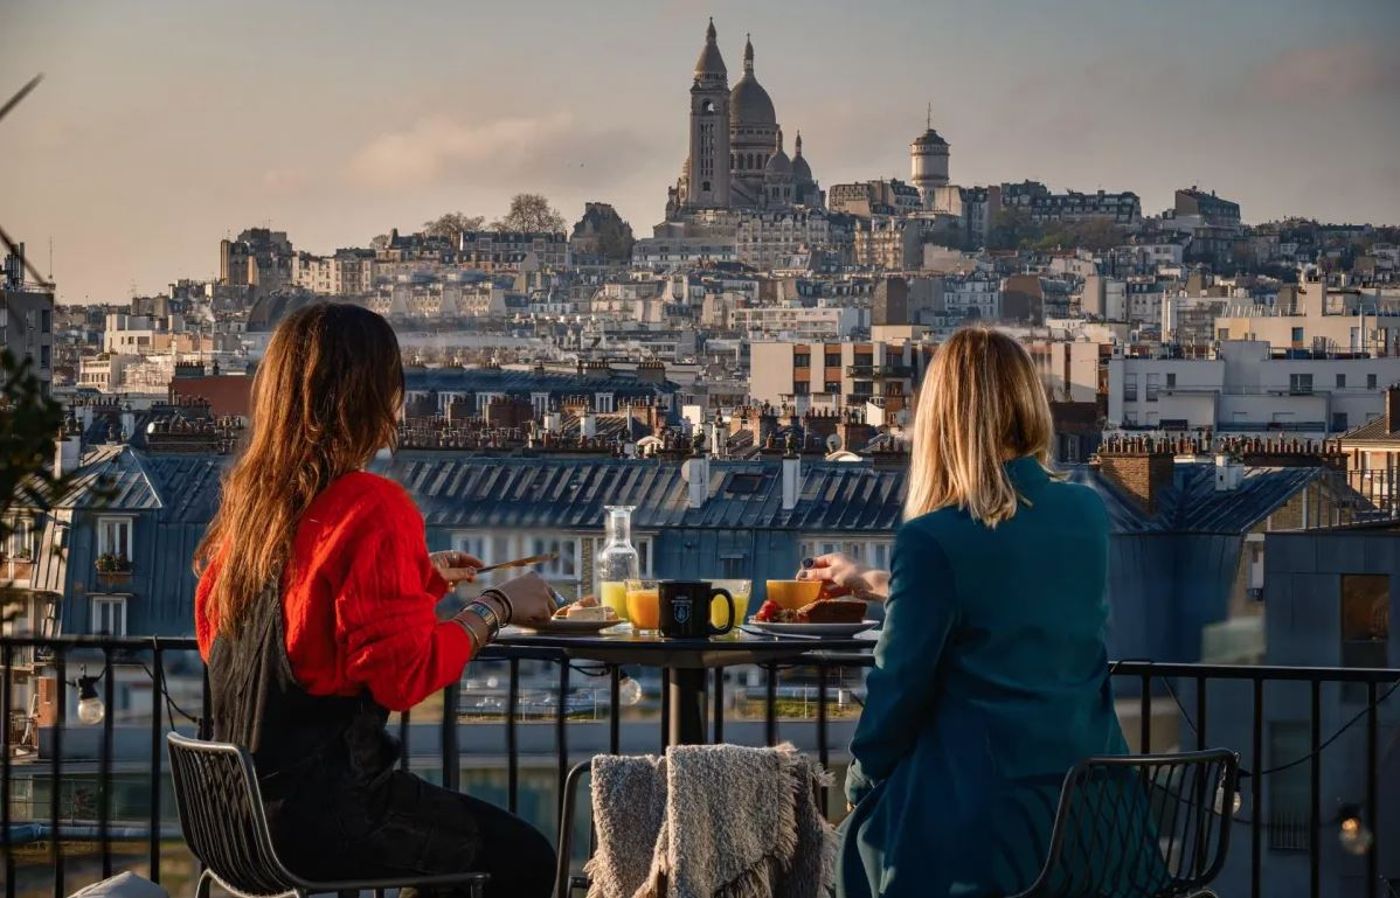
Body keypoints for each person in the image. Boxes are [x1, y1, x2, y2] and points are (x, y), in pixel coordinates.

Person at [194, 303, 557, 898]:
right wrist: (496, 607)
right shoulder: (373, 506)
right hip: (328, 820)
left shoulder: (252, 513)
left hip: (237, 822)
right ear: (370, 396)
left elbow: (289, 629)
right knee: (523, 859)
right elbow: (402, 675)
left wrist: (418, 580)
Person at [835, 327, 1127, 898]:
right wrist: (875, 582)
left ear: (942, 415)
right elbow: (1012, 603)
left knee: (848, 849)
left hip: (983, 832)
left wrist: (858, 784)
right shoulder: (1086, 513)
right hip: (1094, 820)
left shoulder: (934, 538)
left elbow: (899, 688)